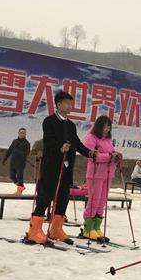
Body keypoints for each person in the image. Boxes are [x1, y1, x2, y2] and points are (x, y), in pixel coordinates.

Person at [26, 91, 95, 245]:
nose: (70, 106)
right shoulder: (49, 121)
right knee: (45, 198)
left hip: (66, 168)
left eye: (71, 104)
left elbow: (77, 144)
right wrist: (60, 147)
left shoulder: (70, 125)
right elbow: (48, 141)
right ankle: (34, 231)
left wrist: (90, 153)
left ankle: (56, 230)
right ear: (58, 104)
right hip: (51, 167)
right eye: (67, 103)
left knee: (63, 198)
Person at [81, 115, 122, 241]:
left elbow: (110, 153)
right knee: (94, 200)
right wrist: (109, 156)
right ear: (99, 126)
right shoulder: (91, 137)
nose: (107, 129)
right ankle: (88, 228)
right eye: (105, 126)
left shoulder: (107, 139)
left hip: (107, 173)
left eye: (109, 126)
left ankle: (96, 226)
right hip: (95, 174)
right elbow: (92, 156)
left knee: (102, 201)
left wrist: (116, 156)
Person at [2, 127, 31, 195]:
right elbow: (10, 150)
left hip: (21, 163)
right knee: (12, 176)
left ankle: (19, 190)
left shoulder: (27, 143)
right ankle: (21, 186)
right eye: (21, 133)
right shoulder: (14, 141)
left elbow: (26, 153)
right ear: (18, 133)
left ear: (25, 134)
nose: (22, 134)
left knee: (19, 177)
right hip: (13, 161)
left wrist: (17, 151)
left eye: (23, 133)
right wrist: (5, 158)